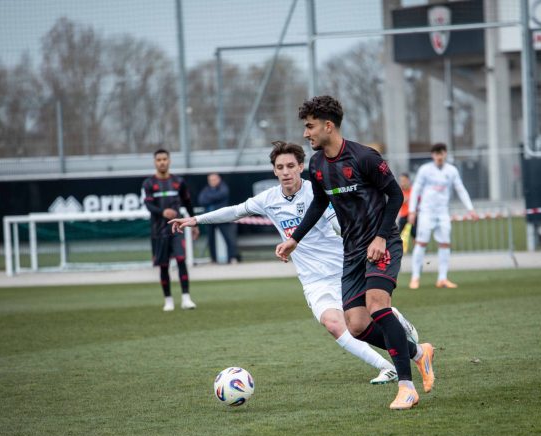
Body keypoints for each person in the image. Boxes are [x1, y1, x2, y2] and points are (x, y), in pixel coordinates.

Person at [169, 141, 418, 385]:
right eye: (280, 167)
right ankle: (386, 367)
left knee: (365, 319)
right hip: (313, 280)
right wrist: (196, 220)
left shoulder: (317, 192)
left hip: (344, 269)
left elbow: (341, 223)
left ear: (300, 167)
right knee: (333, 324)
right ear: (274, 171)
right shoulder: (269, 199)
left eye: (290, 166)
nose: (286, 172)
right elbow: (236, 211)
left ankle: (394, 319)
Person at [275, 95, 435, 411]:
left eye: (310, 127)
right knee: (357, 326)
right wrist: (295, 239)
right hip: (352, 251)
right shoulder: (317, 165)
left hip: (382, 243)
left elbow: (395, 195)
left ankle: (406, 388)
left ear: (328, 126)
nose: (306, 134)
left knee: (377, 305)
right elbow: (319, 203)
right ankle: (419, 352)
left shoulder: (365, 157)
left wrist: (380, 237)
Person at [407, 143, 479, 290]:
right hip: (426, 211)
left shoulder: (451, 170)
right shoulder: (425, 170)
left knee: (445, 243)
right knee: (421, 243)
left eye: (441, 153)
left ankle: (442, 278)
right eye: (436, 153)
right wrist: (412, 211)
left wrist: (470, 209)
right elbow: (416, 190)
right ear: (432, 155)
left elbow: (460, 189)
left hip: (443, 212)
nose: (439, 156)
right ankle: (415, 277)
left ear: (445, 154)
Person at [142, 148, 198, 312]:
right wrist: (162, 212)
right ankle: (168, 300)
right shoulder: (149, 183)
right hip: (158, 231)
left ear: (169, 161)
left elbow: (188, 203)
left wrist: (194, 224)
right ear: (155, 162)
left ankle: (186, 298)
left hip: (177, 229)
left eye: (164, 159)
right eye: (159, 160)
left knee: (181, 260)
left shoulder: (179, 182)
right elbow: (148, 205)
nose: (162, 162)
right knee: (164, 265)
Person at [199, 173, 240, 264]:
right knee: (211, 240)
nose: (212, 182)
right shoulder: (206, 189)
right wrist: (214, 198)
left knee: (229, 238)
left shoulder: (223, 187)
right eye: (210, 180)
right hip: (209, 218)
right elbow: (201, 200)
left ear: (219, 179)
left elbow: (221, 195)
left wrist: (209, 197)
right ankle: (213, 259)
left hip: (222, 218)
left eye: (214, 180)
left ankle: (232, 258)